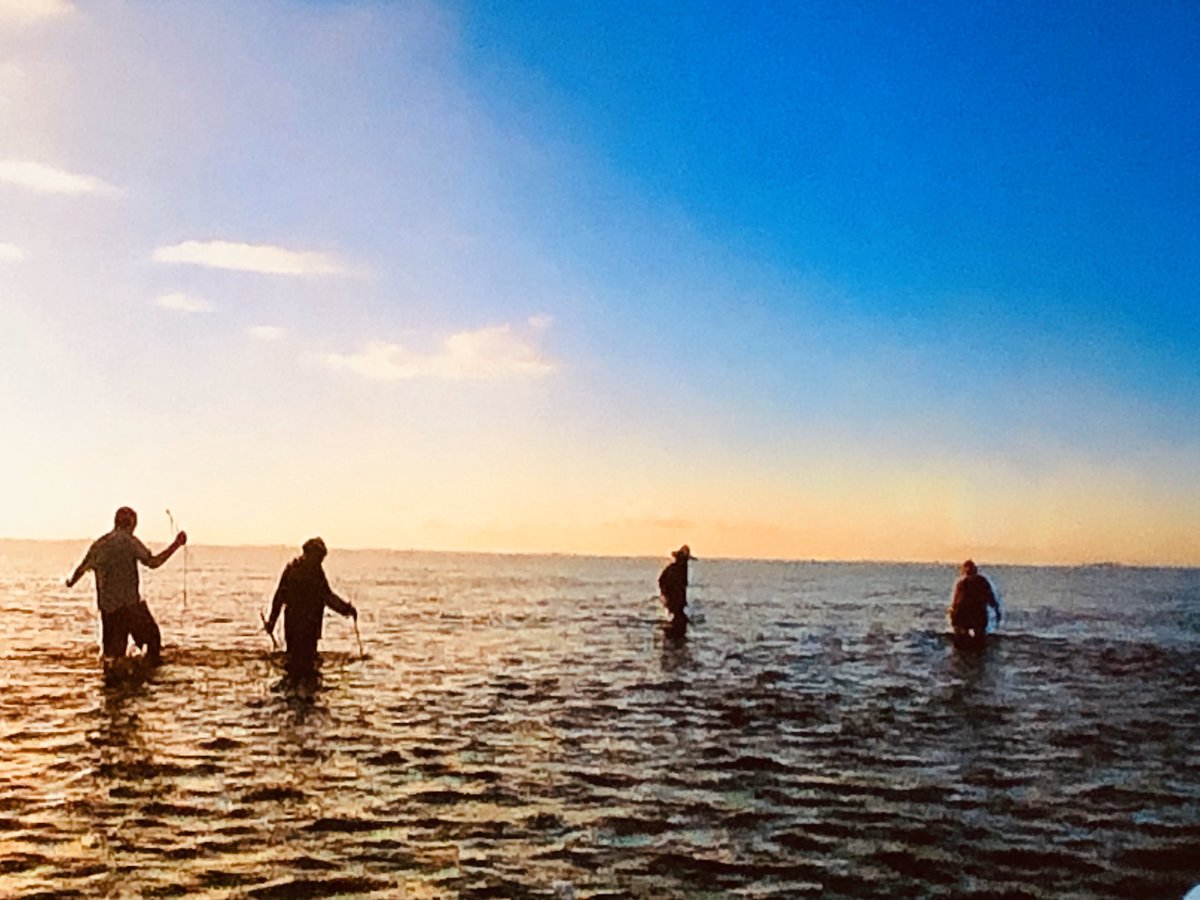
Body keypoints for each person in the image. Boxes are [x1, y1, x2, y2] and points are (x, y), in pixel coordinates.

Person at [66, 506, 187, 664]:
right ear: (131, 523)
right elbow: (153, 562)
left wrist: (70, 582)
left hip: (108, 611)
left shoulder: (99, 545)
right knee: (153, 642)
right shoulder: (130, 542)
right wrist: (176, 544)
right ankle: (149, 676)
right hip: (131, 608)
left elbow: (81, 570)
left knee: (113, 658)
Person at [264, 538, 357, 673]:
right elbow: (327, 597)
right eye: (319, 557)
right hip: (304, 626)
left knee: (296, 662)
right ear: (309, 554)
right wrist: (346, 609)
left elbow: (279, 597)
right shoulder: (309, 573)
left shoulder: (296, 570)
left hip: (298, 625)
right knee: (306, 664)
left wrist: (272, 622)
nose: (320, 561)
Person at [948, 559, 1002, 648]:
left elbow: (956, 602)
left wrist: (953, 615)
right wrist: (996, 610)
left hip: (973, 614)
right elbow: (990, 598)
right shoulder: (964, 583)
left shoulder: (973, 582)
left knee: (970, 638)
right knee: (974, 639)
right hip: (971, 615)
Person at [658, 544, 694, 631]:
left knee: (679, 620)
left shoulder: (677, 569)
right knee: (679, 621)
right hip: (675, 599)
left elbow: (662, 581)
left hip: (676, 600)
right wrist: (666, 593)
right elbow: (662, 581)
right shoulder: (676, 569)